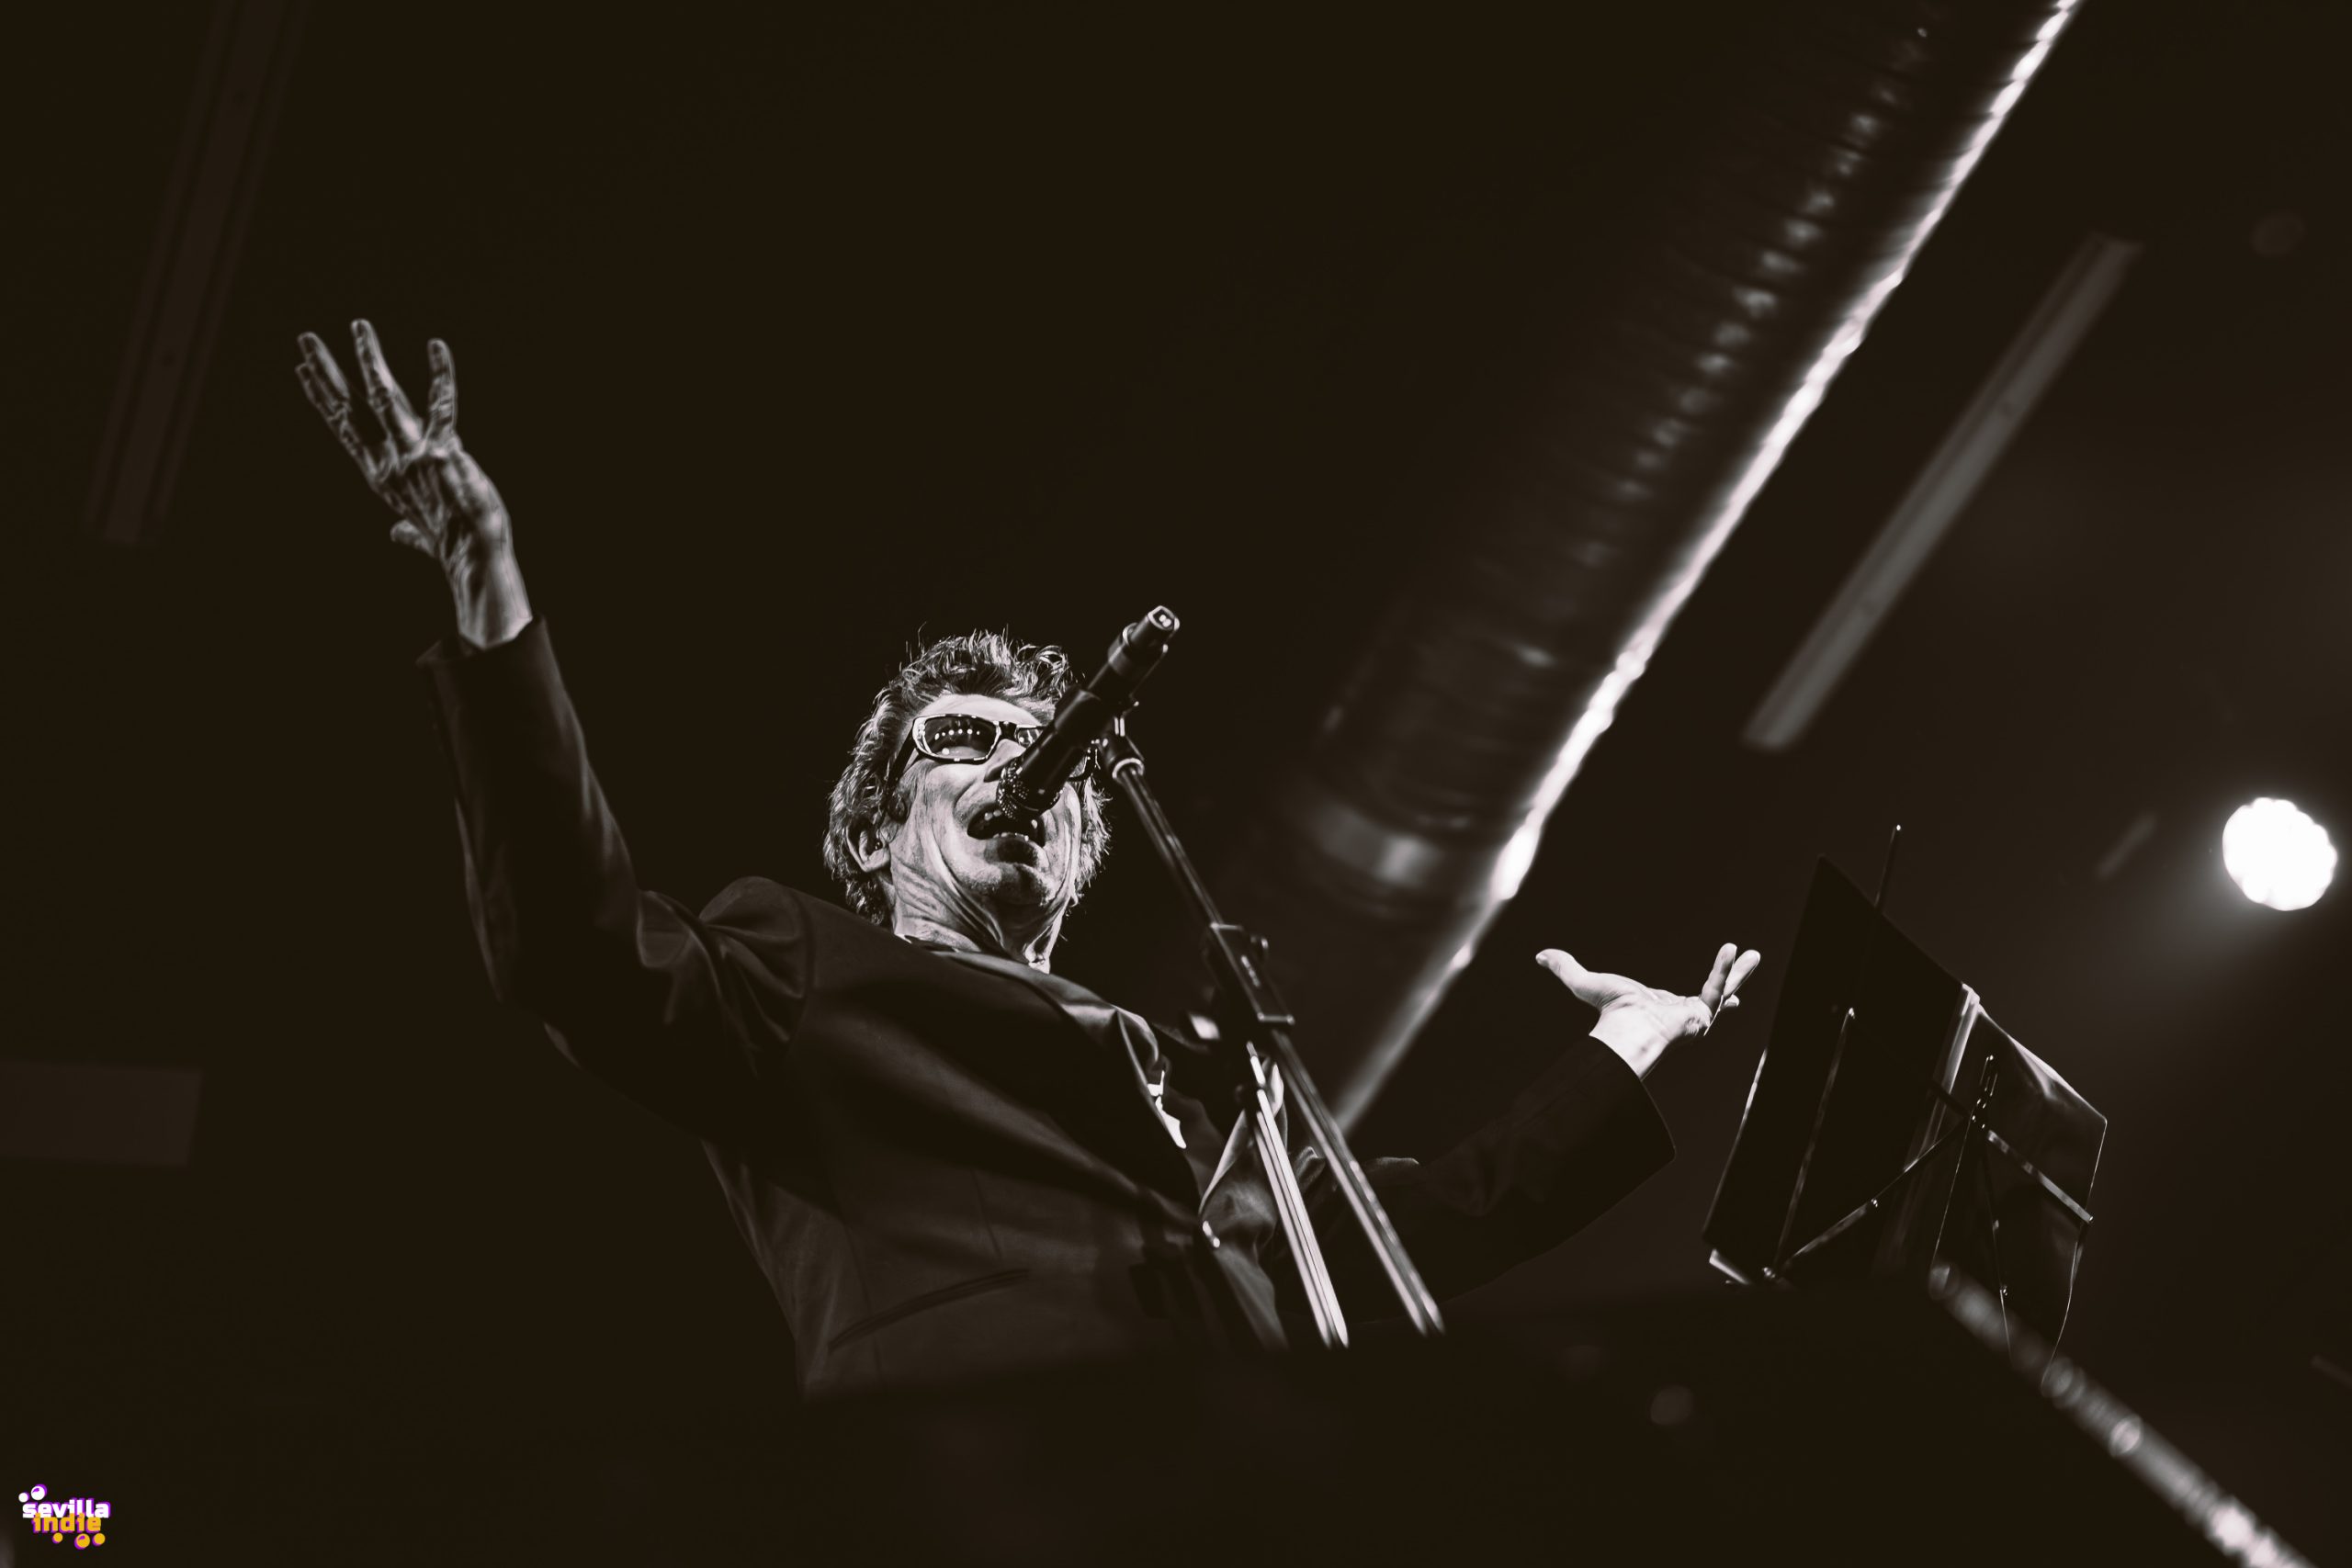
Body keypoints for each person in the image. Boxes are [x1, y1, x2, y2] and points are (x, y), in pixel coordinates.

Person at [295, 320, 1762, 1398]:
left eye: (1048, 751)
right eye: (962, 740)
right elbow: (576, 947)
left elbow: (1417, 1232)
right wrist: (488, 590)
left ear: (1079, 852)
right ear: (877, 828)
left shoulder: (1193, 1097)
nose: (1019, 767)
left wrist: (1629, 1044)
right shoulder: (804, 973)